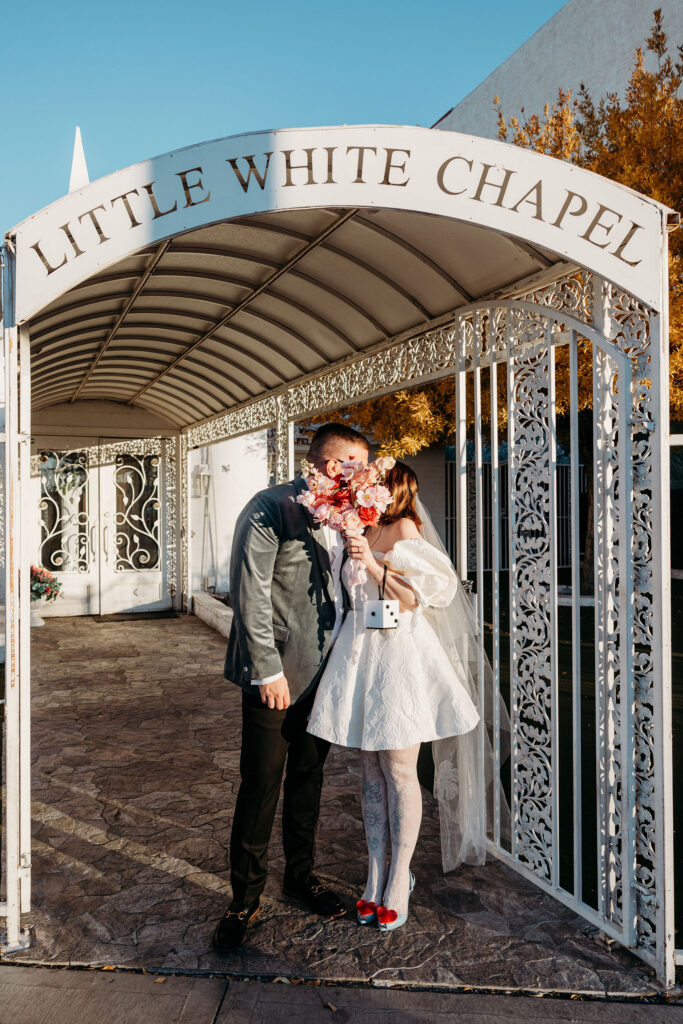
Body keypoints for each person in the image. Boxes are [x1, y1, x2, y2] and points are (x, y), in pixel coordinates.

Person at [307, 461, 487, 932]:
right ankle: (374, 872)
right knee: (369, 768)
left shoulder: (406, 529)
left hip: (400, 659)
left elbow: (419, 597)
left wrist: (369, 562)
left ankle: (398, 876)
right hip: (360, 654)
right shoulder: (357, 528)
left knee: (401, 769)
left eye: (373, 486)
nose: (364, 493)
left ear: (393, 491)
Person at [213, 423, 370, 952]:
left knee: (309, 777)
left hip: (327, 670)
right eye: (358, 464)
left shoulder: (353, 513)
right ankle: (244, 899)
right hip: (275, 675)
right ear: (333, 465)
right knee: (260, 783)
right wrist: (267, 670)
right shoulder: (269, 507)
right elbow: (250, 593)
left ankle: (300, 877)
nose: (365, 474)